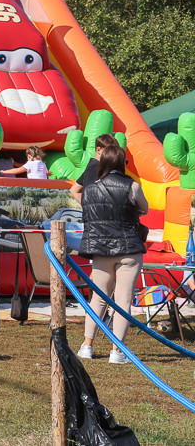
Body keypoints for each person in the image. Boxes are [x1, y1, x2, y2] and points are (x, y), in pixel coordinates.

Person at [75, 145, 148, 364]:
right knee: (123, 301)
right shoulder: (132, 186)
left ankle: (87, 346)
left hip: (101, 250)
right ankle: (116, 351)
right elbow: (144, 209)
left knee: (98, 299)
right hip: (129, 249)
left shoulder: (89, 189)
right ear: (121, 163)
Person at [70, 134, 118, 204]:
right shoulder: (97, 167)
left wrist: (87, 208)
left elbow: (74, 190)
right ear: (98, 150)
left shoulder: (92, 165)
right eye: (109, 151)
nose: (114, 154)